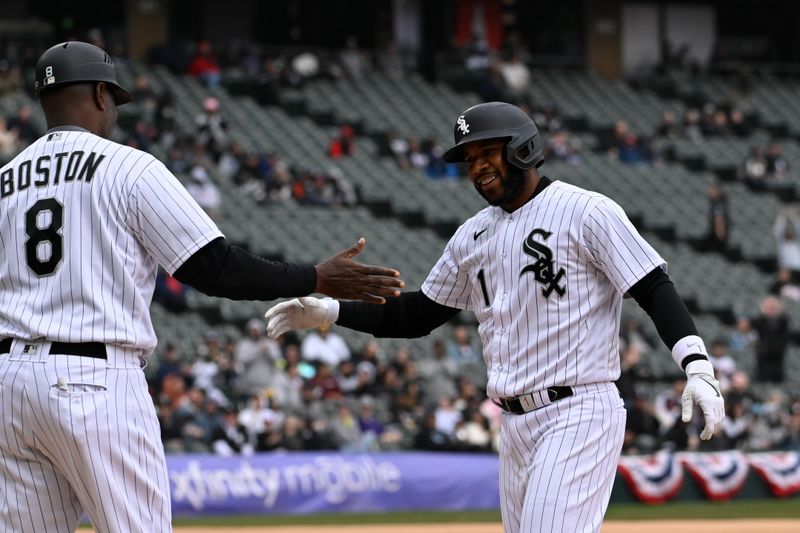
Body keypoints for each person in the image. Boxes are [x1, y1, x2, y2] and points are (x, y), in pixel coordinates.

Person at [0, 41, 405, 533]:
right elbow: (216, 269)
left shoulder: (5, 179)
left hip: (10, 384)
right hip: (92, 381)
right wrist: (315, 276)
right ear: (102, 95)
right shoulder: (128, 167)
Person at [265, 101, 725, 533]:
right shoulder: (472, 235)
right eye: (470, 158)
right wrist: (332, 311)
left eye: (489, 152)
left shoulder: (586, 211)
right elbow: (418, 314)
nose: (478, 166)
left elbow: (652, 286)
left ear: (523, 149)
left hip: (578, 409)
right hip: (514, 423)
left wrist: (697, 366)